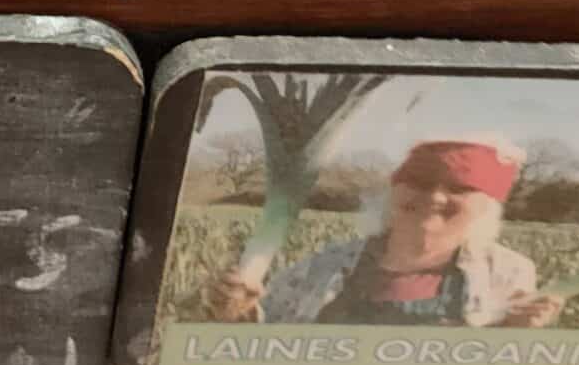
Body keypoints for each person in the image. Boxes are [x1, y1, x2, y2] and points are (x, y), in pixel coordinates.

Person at [212, 138, 561, 327]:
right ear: (391, 194)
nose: (434, 197)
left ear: (487, 207)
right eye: (419, 183)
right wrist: (237, 313)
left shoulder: (508, 272)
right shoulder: (326, 265)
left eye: (458, 188)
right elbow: (261, 347)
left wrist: (518, 334)